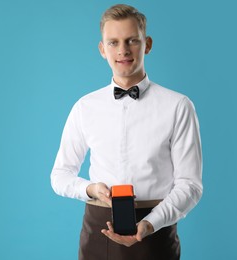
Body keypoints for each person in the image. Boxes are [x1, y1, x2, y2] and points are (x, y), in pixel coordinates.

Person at [50, 4, 202, 260]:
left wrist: (151, 222)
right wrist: (90, 189)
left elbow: (190, 185)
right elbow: (60, 176)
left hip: (156, 232)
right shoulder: (84, 107)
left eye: (132, 40)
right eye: (113, 42)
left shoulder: (178, 106)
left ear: (147, 44)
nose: (123, 50)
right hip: (98, 229)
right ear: (102, 49)